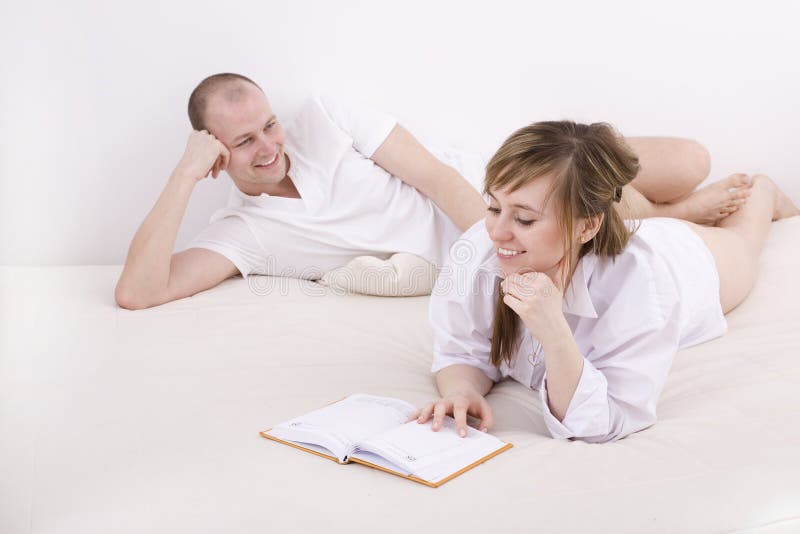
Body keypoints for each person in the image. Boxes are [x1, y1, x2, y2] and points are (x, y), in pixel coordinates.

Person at [115, 72, 746, 309]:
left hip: (493, 189)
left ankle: (669, 203)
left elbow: (440, 178)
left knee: (691, 159)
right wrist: (182, 176)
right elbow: (139, 292)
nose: (269, 146)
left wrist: (504, 242)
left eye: (269, 124)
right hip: (518, 229)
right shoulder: (244, 235)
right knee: (648, 232)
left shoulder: (324, 116)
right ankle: (664, 213)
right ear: (214, 152)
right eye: (244, 141)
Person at [415, 120, 798, 443]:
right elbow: (461, 351)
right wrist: (461, 391)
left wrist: (553, 330)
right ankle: (682, 208)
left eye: (524, 219)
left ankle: (763, 191)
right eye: (494, 207)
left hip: (687, 263)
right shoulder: (478, 252)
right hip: (599, 246)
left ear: (587, 225)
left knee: (746, 240)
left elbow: (604, 421)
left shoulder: (641, 285)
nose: (496, 232)